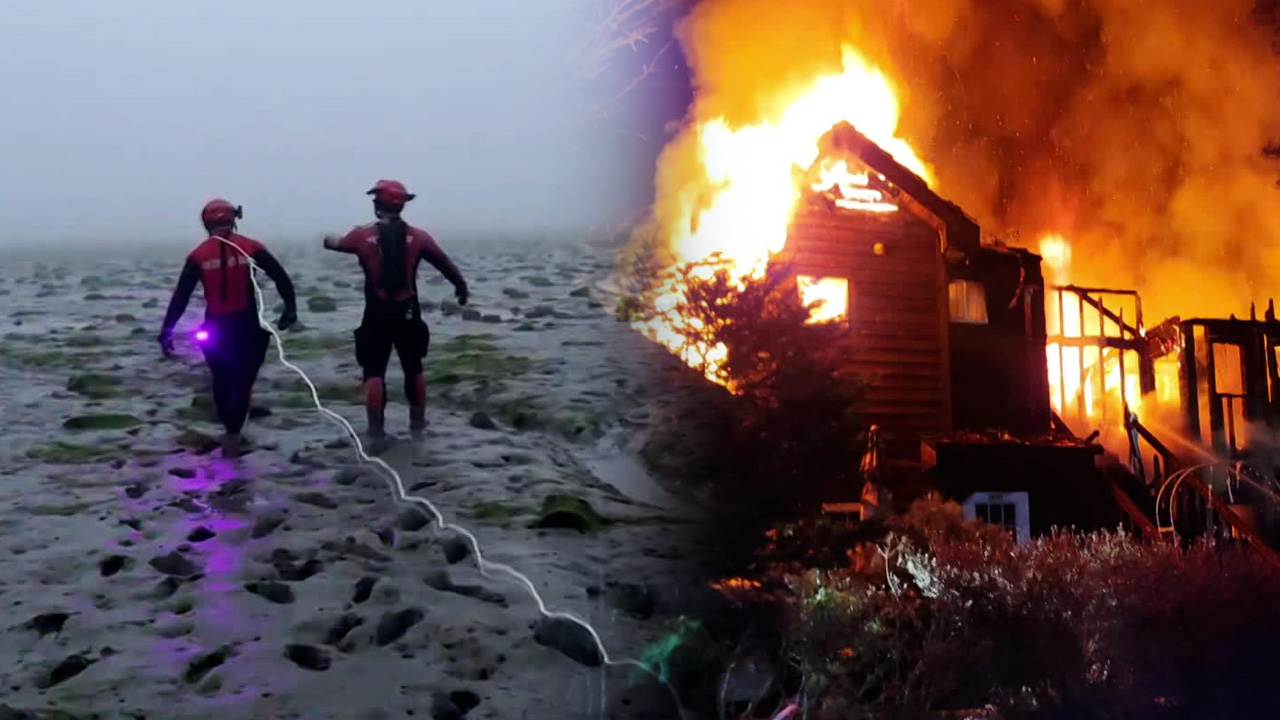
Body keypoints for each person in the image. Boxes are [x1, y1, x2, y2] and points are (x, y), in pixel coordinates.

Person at [323, 179, 469, 440]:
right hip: (408, 312)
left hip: (376, 313)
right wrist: (460, 286)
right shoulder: (420, 237)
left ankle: (376, 430)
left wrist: (328, 239)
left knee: (374, 371)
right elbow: (444, 264)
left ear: (378, 203)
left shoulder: (361, 236)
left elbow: (335, 243)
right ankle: (417, 425)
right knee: (414, 367)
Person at [158, 198, 298, 457]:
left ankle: (230, 435)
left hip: (215, 328)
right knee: (243, 383)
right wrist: (290, 309)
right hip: (247, 326)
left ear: (205, 222)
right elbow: (281, 277)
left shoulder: (198, 255)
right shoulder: (251, 247)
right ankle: (234, 437)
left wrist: (166, 331)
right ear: (233, 219)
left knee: (221, 381)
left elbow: (181, 296)